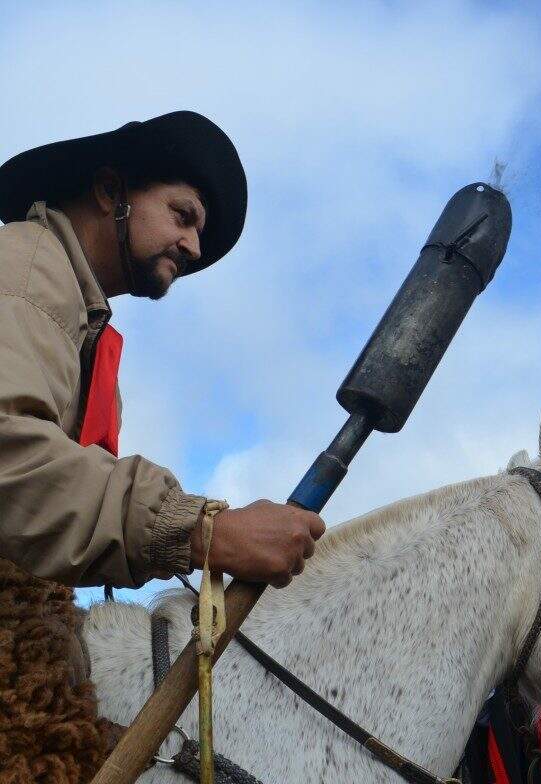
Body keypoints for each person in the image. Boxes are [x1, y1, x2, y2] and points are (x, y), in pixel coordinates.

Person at [0, 112, 326, 780]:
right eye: (183, 215)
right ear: (109, 191)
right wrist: (202, 530)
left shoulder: (82, 321)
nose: (193, 245)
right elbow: (9, 456)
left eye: (197, 229)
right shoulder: (27, 268)